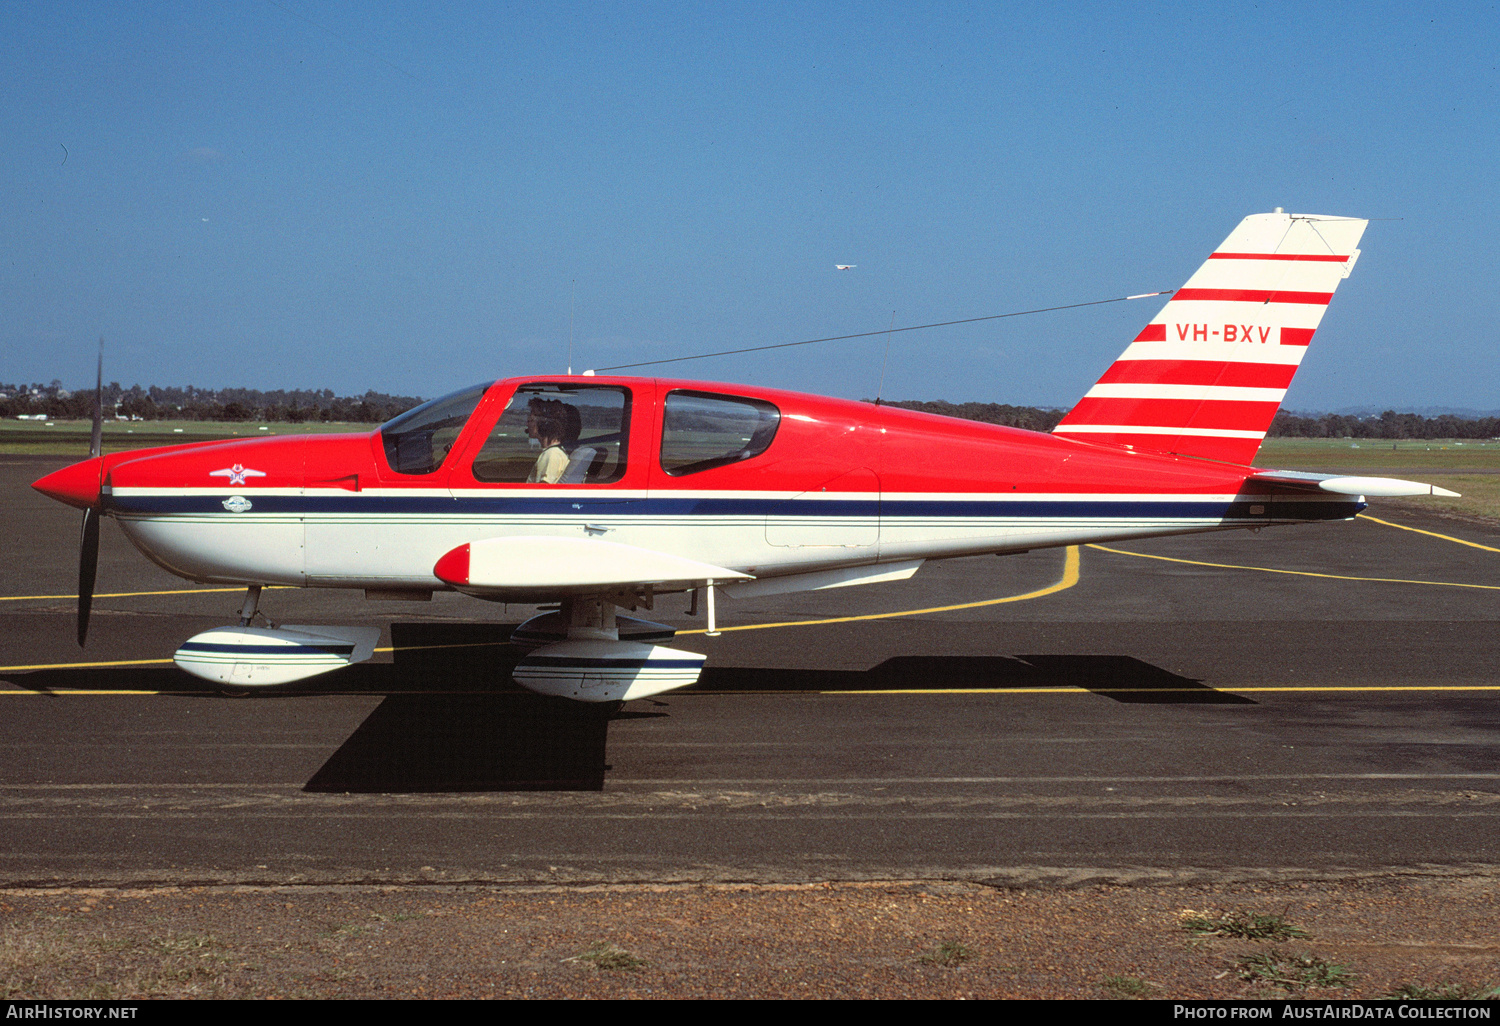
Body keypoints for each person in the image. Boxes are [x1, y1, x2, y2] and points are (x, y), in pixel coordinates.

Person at [525, 398, 571, 483]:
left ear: (545, 423)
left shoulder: (551, 455)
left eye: (531, 419)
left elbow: (542, 493)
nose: (527, 424)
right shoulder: (554, 452)